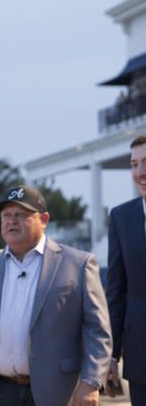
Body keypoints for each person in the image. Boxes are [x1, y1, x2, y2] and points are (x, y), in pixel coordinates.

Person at [0, 185, 111, 406]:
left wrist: (91, 382)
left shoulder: (78, 264)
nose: (12, 221)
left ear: (44, 219)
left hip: (57, 392)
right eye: (6, 215)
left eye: (21, 215)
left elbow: (98, 330)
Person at [106, 135, 146, 406]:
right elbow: (116, 291)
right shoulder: (121, 217)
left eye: (145, 163)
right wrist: (110, 355)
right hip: (140, 353)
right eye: (134, 164)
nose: (140, 172)